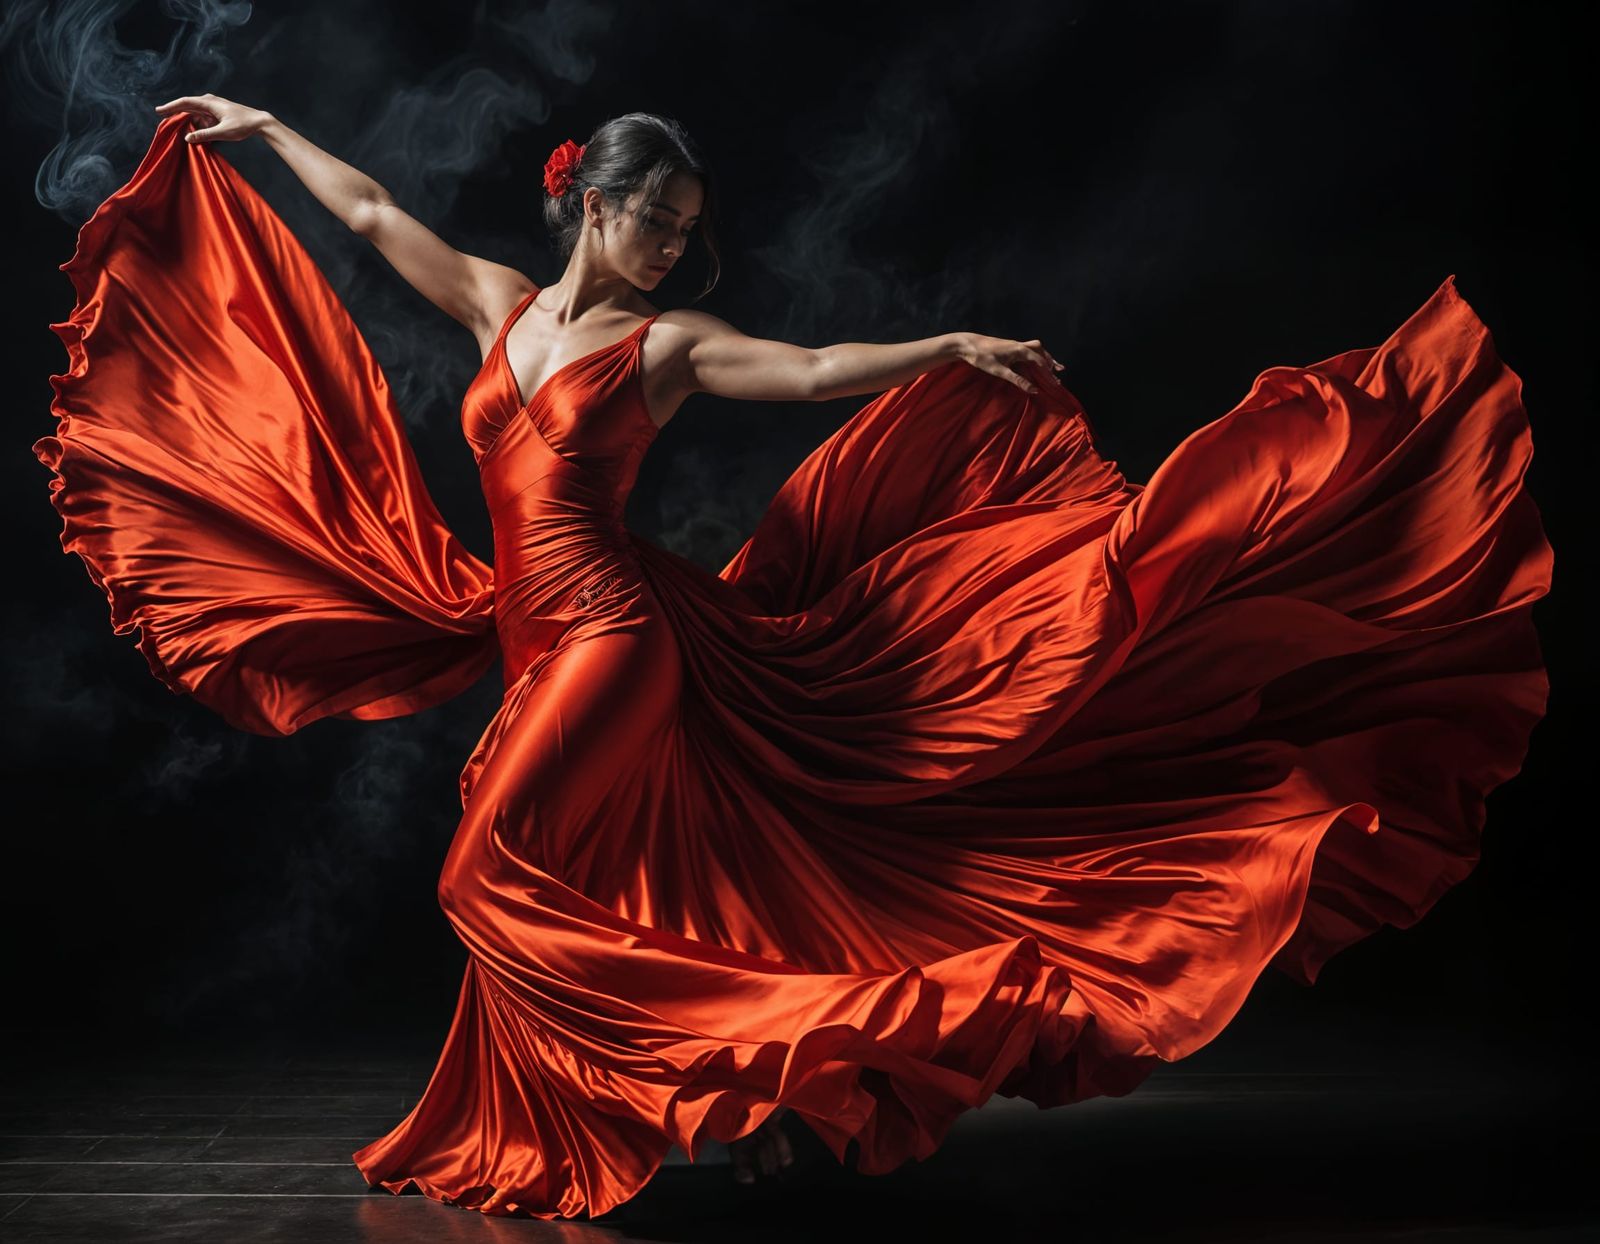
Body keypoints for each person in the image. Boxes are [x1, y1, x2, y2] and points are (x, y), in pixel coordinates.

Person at [34, 95, 1551, 1221]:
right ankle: (672, 1108)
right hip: (527, 635)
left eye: (694, 229)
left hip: (612, 642)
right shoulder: (503, 309)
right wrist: (259, 126)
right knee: (628, 879)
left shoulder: (668, 347)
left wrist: (945, 351)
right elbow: (370, 218)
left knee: (484, 877)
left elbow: (816, 369)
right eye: (663, 220)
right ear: (592, 209)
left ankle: (742, 1047)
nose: (683, 245)